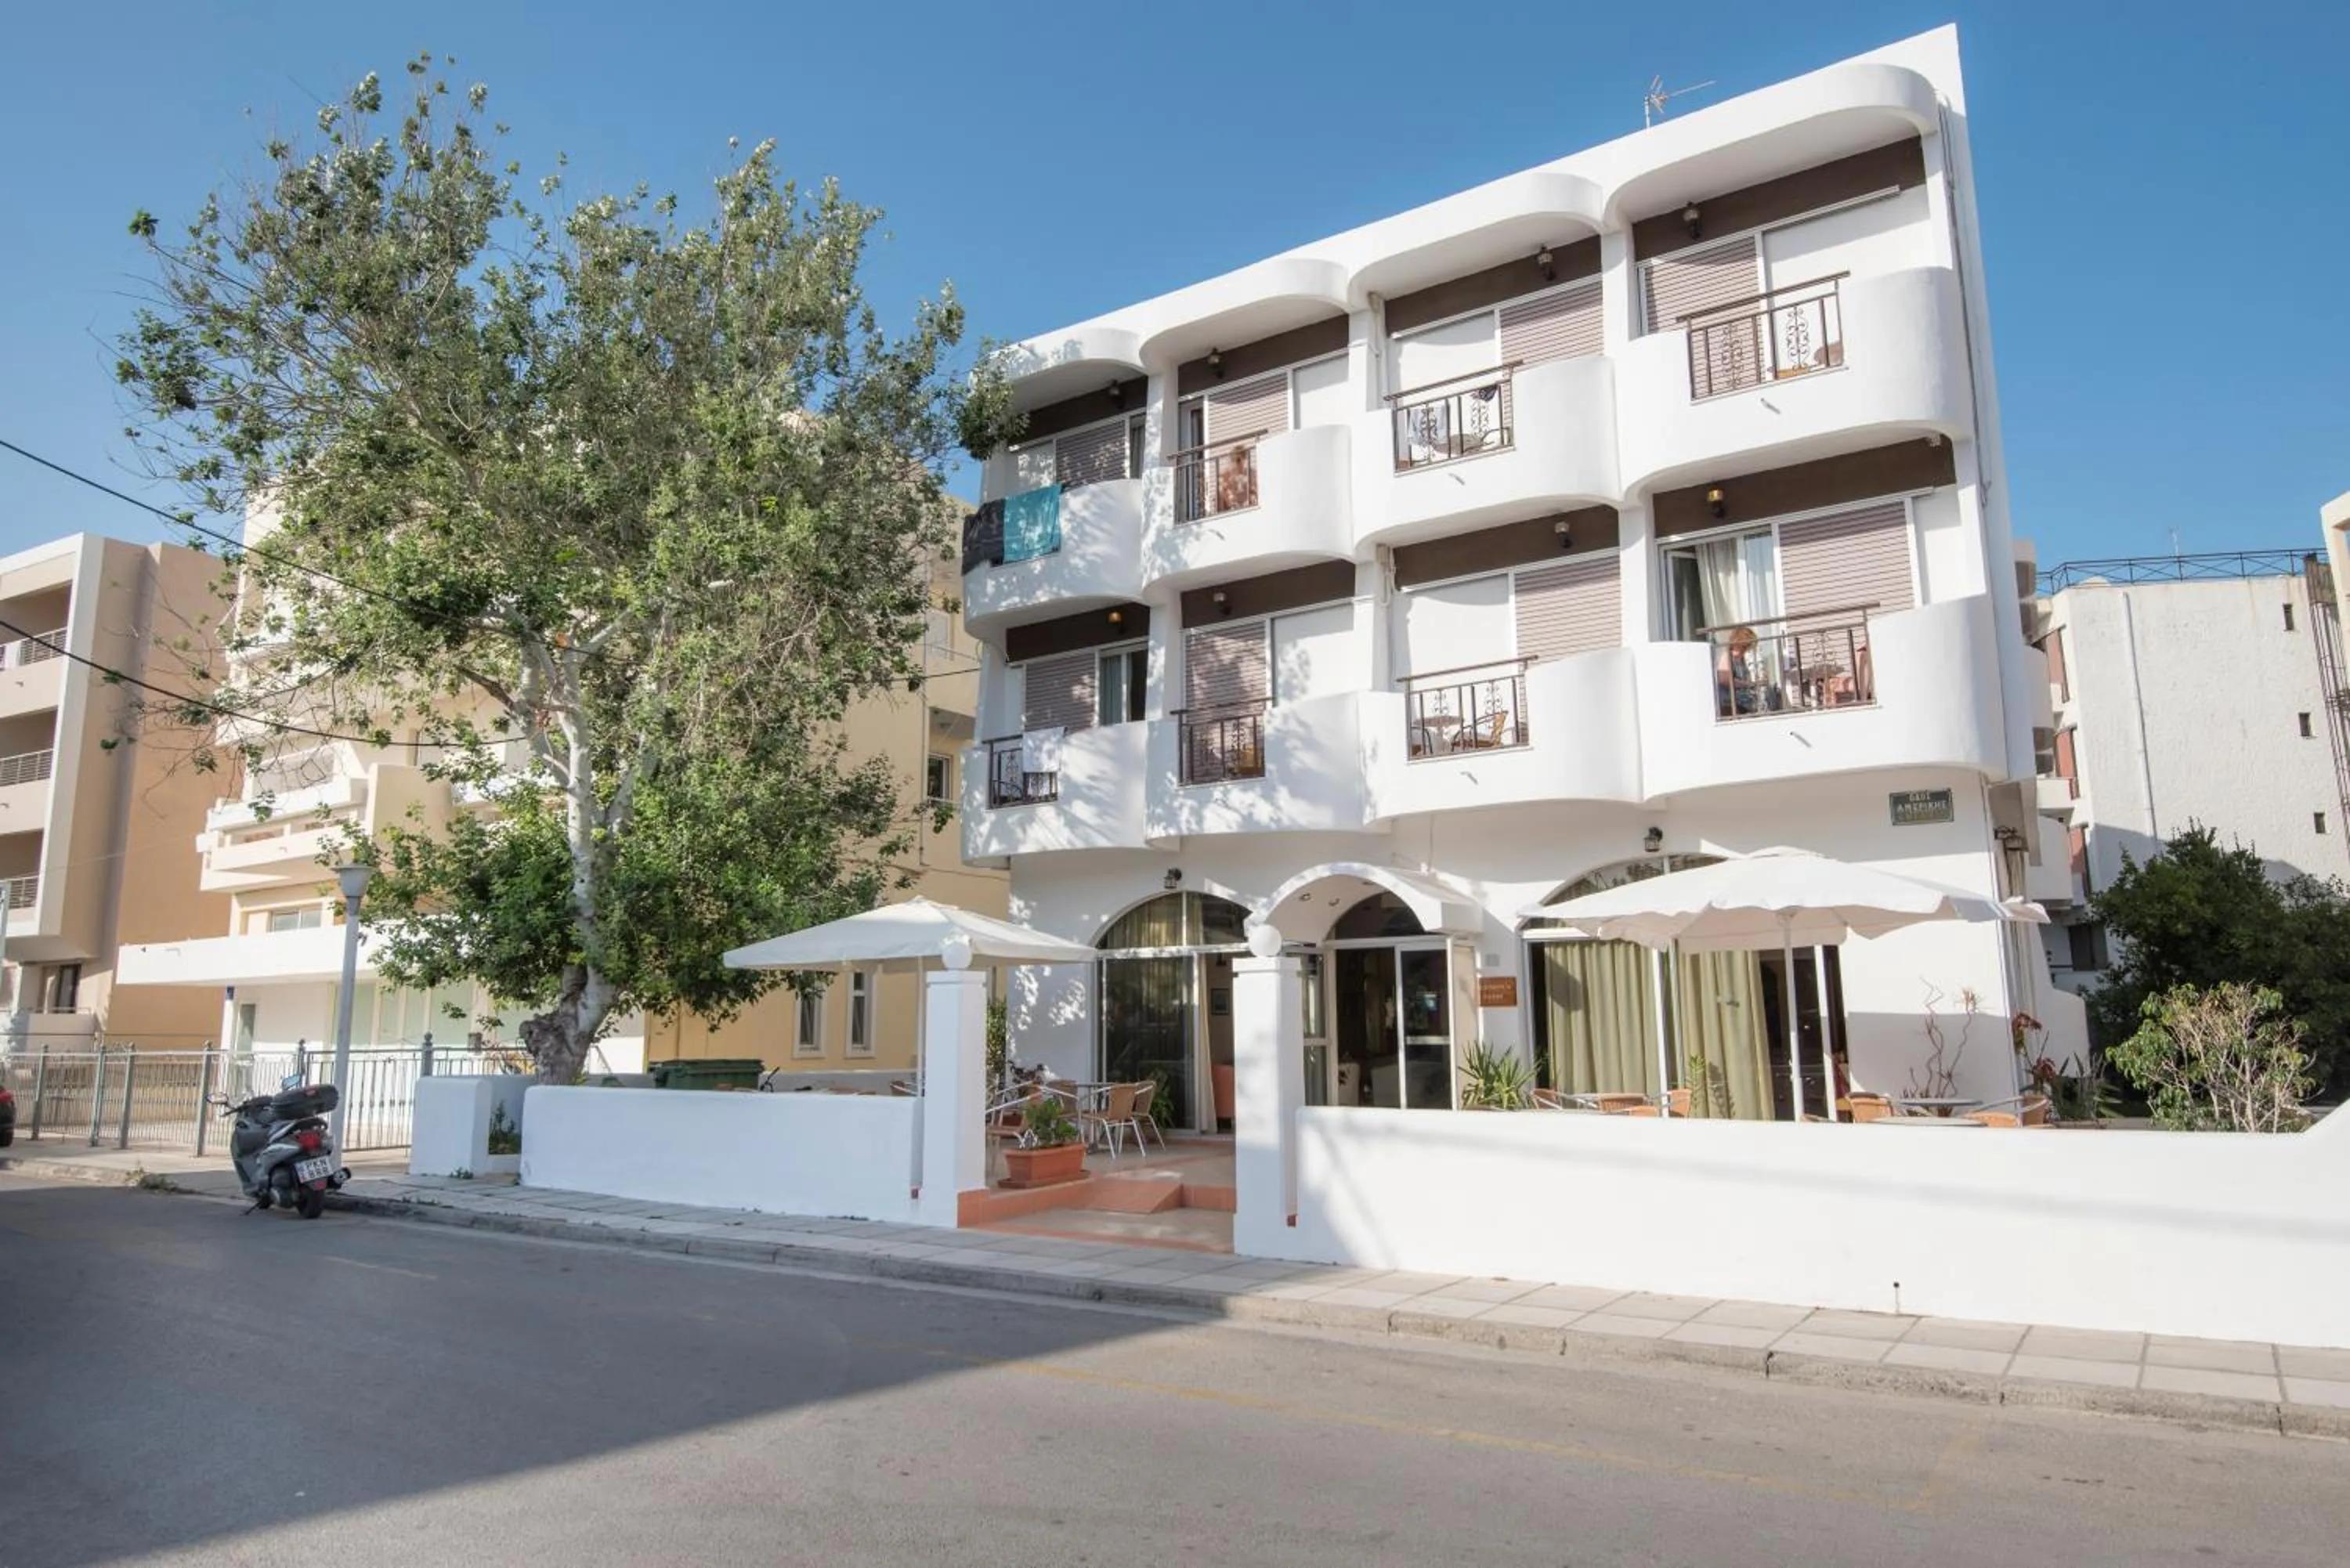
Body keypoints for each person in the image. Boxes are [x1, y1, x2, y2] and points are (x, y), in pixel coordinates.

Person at [1714, 625, 1763, 715]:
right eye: (1745, 646)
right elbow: (1724, 679)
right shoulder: (1727, 656)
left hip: (1741, 704)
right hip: (1730, 704)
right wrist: (1748, 684)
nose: (1746, 649)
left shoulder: (1741, 659)